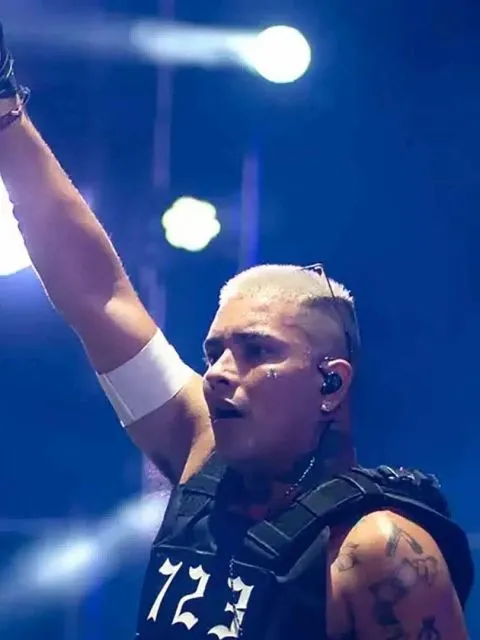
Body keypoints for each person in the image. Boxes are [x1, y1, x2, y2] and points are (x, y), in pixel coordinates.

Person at [0, 23, 473, 640]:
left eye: (256, 350)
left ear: (330, 384)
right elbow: (98, 296)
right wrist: (5, 111)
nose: (220, 372)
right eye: (215, 350)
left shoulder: (378, 552)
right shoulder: (202, 449)